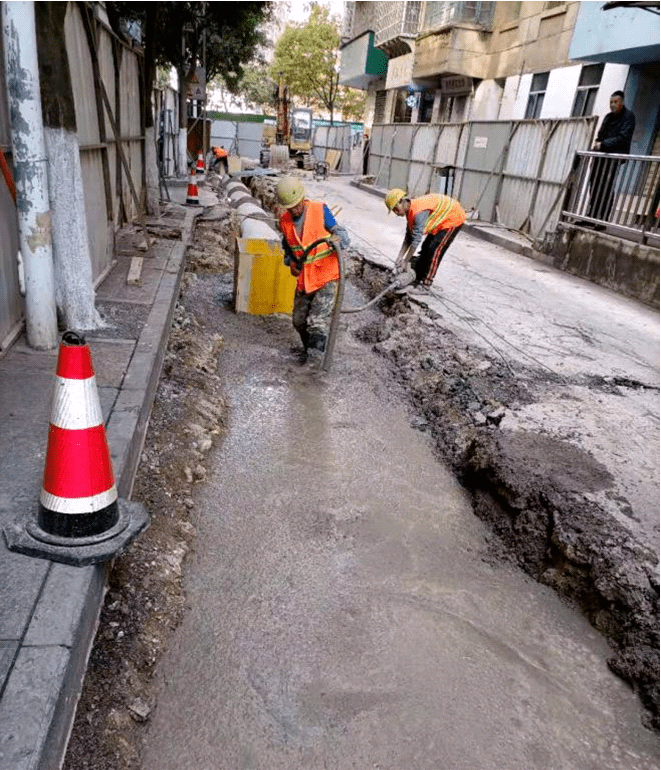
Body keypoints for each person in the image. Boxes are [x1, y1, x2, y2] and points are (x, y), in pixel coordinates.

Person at [277, 176, 350, 363]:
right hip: (305, 280)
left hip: (326, 276)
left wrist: (337, 240)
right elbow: (288, 249)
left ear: (303, 197)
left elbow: (342, 235)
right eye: (290, 207)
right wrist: (290, 263)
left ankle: (314, 368)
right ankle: (311, 351)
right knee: (299, 321)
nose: (295, 209)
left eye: (297, 204)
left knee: (317, 322)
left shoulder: (320, 210)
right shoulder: (284, 222)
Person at [385, 189, 465, 289]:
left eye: (396, 209)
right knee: (426, 247)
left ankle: (426, 285)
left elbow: (416, 241)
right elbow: (409, 236)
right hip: (442, 220)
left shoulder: (418, 213)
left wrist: (406, 261)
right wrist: (400, 257)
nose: (396, 213)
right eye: (393, 211)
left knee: (434, 251)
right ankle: (417, 277)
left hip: (453, 218)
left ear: (401, 201)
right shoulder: (410, 212)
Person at [587, 91, 636, 226]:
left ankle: (602, 220)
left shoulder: (628, 117)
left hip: (613, 158)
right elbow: (600, 134)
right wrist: (597, 144)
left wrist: (603, 144)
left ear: (622, 102)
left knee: (606, 188)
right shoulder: (608, 117)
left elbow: (623, 138)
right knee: (594, 185)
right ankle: (591, 216)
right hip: (600, 157)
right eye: (611, 102)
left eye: (615, 102)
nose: (613, 105)